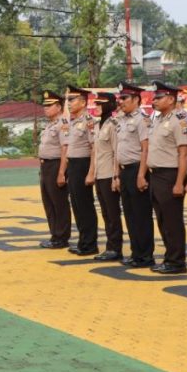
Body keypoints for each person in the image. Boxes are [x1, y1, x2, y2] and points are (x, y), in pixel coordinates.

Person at [143, 81, 187, 274]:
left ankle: (177, 261)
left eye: (159, 97)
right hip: (156, 175)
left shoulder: (179, 121)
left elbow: (184, 153)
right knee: (162, 219)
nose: (155, 100)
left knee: (172, 220)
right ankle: (169, 257)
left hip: (170, 174)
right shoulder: (158, 120)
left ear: (171, 99)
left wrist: (180, 181)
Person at [113, 82, 155, 268]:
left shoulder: (142, 120)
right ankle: (136, 252)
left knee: (141, 215)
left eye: (125, 98)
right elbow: (118, 148)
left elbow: (146, 149)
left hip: (136, 169)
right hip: (124, 170)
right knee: (129, 214)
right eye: (120, 98)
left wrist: (141, 174)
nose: (121, 102)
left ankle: (146, 255)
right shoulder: (121, 120)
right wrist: (116, 174)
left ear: (136, 100)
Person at [62, 86, 98, 256]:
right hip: (73, 165)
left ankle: (90, 244)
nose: (68, 103)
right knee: (76, 205)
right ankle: (83, 241)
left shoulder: (89, 121)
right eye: (68, 100)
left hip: (83, 164)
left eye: (72, 100)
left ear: (83, 102)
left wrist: (91, 172)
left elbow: (94, 148)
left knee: (85, 205)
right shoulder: (72, 122)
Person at [90, 92, 123, 261]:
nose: (96, 107)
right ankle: (110, 246)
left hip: (109, 174)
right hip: (99, 174)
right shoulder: (98, 125)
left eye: (99, 104)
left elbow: (117, 152)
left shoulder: (113, 124)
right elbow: (96, 152)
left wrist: (116, 176)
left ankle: (115, 248)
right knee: (105, 213)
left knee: (112, 213)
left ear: (108, 105)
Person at [37, 90, 71, 248]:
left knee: (59, 203)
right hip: (45, 166)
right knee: (49, 202)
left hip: (56, 164)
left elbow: (65, 148)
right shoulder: (49, 125)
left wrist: (62, 172)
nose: (46, 109)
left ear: (59, 107)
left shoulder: (62, 124)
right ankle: (54, 235)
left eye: (50, 106)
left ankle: (62, 237)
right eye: (45, 106)